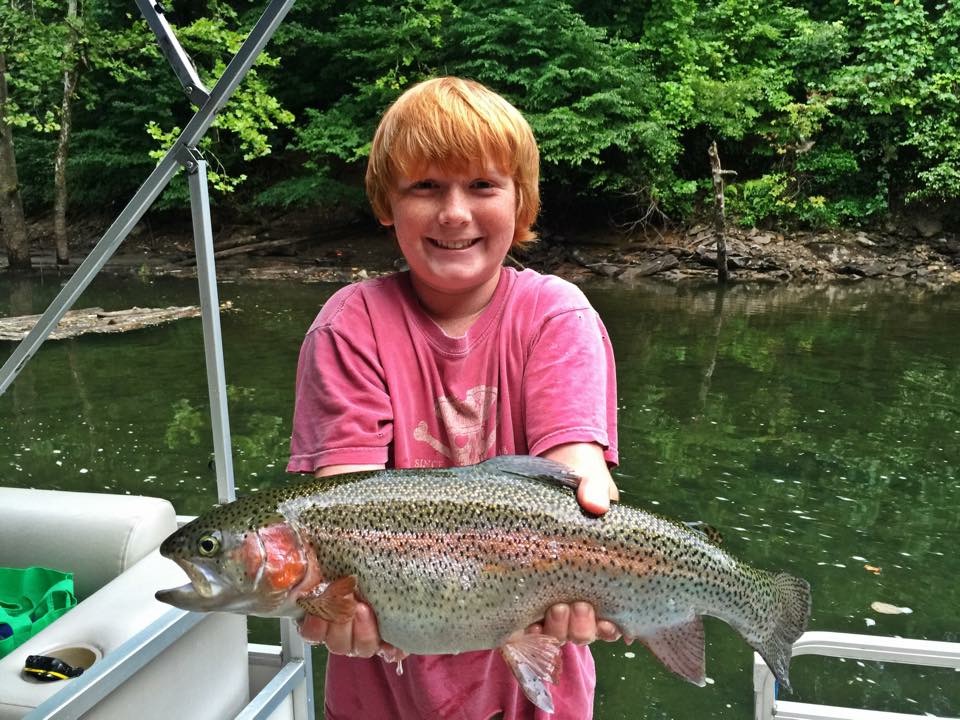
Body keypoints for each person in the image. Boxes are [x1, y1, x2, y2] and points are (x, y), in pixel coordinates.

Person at [287, 76, 621, 720]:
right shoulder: (348, 325)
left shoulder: (557, 315)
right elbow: (343, 515)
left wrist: (602, 561)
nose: (454, 213)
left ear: (522, 203)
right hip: (381, 697)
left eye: (483, 186)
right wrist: (338, 602)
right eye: (426, 187)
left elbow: (577, 473)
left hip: (536, 692)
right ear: (388, 204)